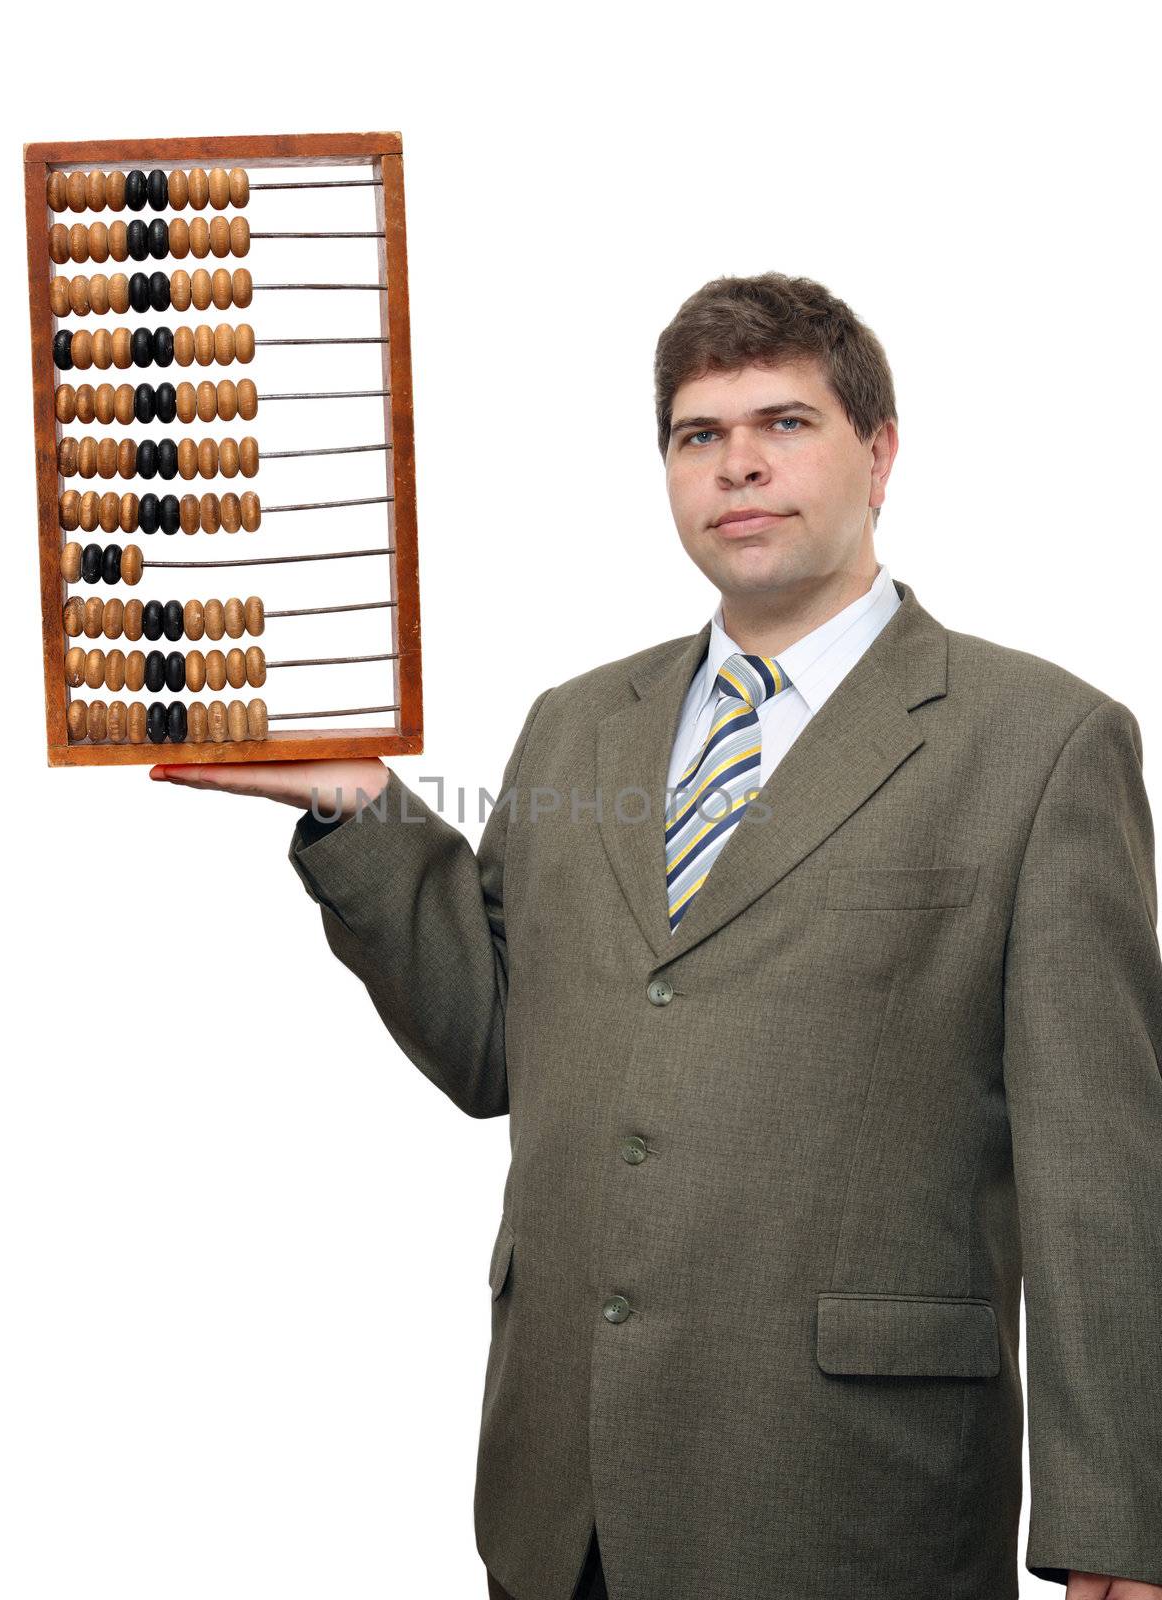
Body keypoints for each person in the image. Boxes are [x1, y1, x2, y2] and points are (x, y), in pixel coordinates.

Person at [151, 273, 1162, 1600]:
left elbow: (1104, 1174)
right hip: (561, 1496)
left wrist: (1118, 1525)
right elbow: (495, 1044)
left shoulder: (1039, 744)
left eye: (783, 422)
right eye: (698, 434)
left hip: (853, 1496)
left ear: (881, 451)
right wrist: (358, 808)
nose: (737, 462)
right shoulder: (579, 728)